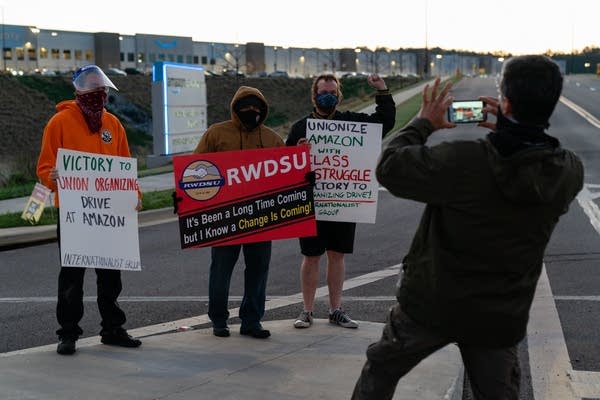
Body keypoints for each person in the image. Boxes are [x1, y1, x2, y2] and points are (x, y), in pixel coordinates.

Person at [351, 56, 584, 399]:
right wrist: (515, 133)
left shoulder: (465, 160)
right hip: (499, 315)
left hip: (430, 304)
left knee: (381, 370)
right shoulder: (567, 172)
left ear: (504, 101)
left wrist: (423, 123)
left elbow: (390, 166)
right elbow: (536, 155)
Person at [36, 64, 143, 355]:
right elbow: (45, 165)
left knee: (111, 275)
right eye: (94, 89)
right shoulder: (59, 123)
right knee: (72, 276)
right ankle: (68, 333)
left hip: (110, 213)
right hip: (75, 213)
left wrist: (134, 193)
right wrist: (52, 177)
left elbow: (123, 165)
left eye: (103, 89)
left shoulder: (114, 124)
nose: (100, 94)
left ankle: (112, 328)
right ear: (80, 92)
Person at [286, 73, 396, 329]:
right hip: (312, 202)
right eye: (323, 92)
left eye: (332, 93)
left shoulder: (350, 121)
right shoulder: (300, 127)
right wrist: (298, 153)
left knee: (337, 256)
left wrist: (382, 90)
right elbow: (286, 164)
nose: (328, 96)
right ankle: (307, 311)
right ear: (314, 95)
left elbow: (385, 122)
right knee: (311, 256)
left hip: (344, 199)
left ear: (339, 95)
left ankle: (336, 310)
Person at [193, 86, 284, 339]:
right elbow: (195, 169)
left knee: (258, 270)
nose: (251, 110)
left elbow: (286, 176)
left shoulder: (273, 139)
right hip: (225, 217)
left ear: (263, 110)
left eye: (257, 107)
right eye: (246, 105)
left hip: (261, 217)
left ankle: (251, 321)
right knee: (221, 270)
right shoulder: (216, 134)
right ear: (235, 107)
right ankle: (219, 320)